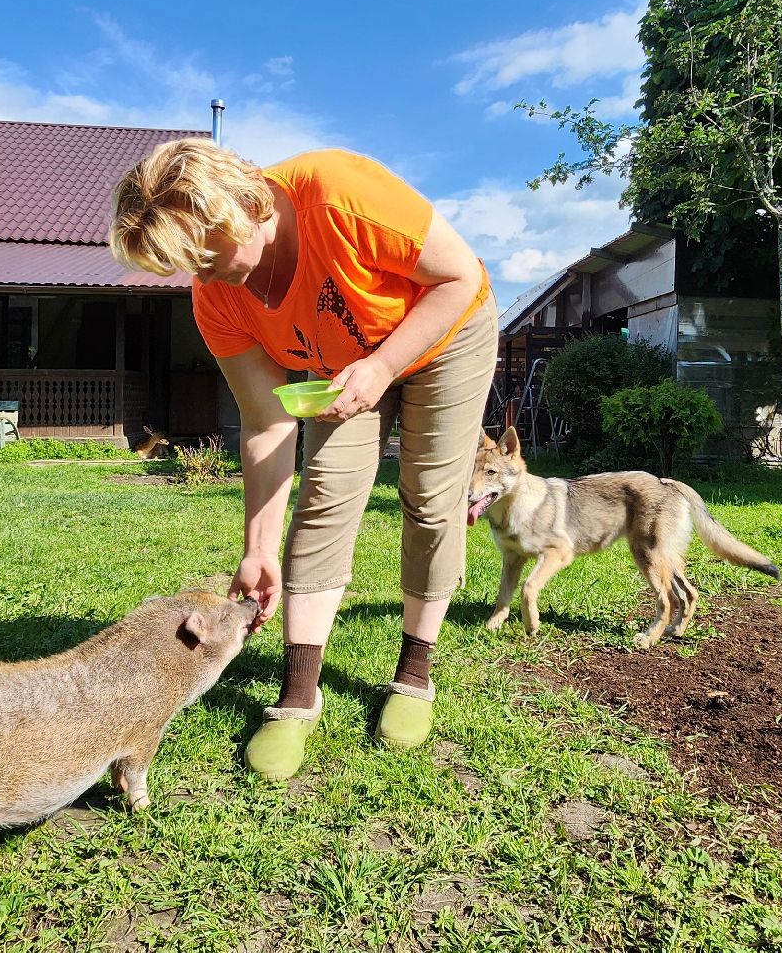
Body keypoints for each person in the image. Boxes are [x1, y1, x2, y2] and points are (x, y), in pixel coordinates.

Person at [110, 139, 495, 780]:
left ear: (240, 207)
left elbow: (461, 277)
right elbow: (266, 423)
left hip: (443, 333)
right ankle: (298, 690)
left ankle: (414, 671)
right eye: (189, 267)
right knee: (324, 500)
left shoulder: (338, 191)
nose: (203, 276)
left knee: (430, 497)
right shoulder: (219, 296)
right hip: (346, 364)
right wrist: (257, 548)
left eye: (207, 255)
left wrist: (384, 365)